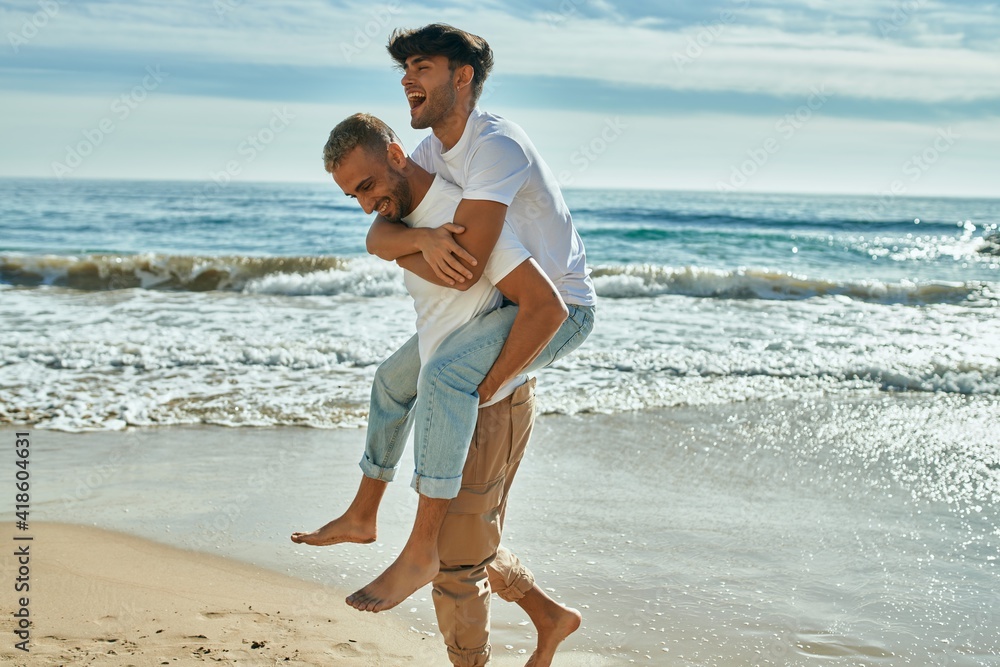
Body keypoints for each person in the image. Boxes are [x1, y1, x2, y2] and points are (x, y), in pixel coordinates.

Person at [292, 22, 595, 654]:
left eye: (422, 66)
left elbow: (468, 258)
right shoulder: (427, 158)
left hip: (555, 306)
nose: (408, 79)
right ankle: (365, 511)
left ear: (463, 77)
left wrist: (481, 381)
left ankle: (419, 549)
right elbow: (383, 236)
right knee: (394, 382)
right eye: (405, 69)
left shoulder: (496, 148)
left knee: (444, 381)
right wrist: (416, 241)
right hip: (495, 307)